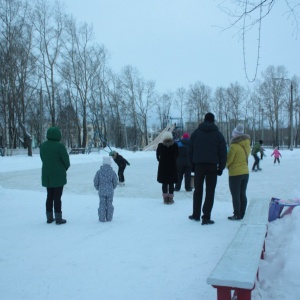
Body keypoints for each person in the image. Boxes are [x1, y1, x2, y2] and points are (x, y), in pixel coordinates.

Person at [188, 112, 227, 225]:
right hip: (212, 167)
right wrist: (221, 167)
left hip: (199, 165)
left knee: (198, 190)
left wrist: (192, 165)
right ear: (213, 120)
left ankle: (196, 214)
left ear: (204, 120)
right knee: (210, 191)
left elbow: (190, 150)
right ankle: (206, 217)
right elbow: (223, 152)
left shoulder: (196, 133)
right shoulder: (218, 135)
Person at [40, 126, 70, 225]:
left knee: (49, 196)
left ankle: (49, 217)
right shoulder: (60, 146)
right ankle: (58, 218)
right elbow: (66, 161)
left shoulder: (43, 146)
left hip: (47, 175)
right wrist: (62, 169)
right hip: (58, 176)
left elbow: (43, 159)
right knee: (57, 197)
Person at [226, 124, 251, 220]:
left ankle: (237, 214)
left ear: (236, 135)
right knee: (242, 193)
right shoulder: (246, 144)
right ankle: (242, 213)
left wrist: (224, 165)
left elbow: (229, 160)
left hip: (235, 174)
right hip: (245, 172)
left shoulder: (234, 146)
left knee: (235, 195)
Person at [156, 131, 178, 204]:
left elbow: (157, 155)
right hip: (172, 166)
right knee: (171, 183)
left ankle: (165, 199)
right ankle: (170, 199)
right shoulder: (175, 145)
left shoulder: (160, 145)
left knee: (164, 183)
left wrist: (160, 160)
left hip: (163, 167)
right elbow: (178, 155)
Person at [93, 156, 118, 222]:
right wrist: (113, 187)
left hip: (102, 191)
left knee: (102, 204)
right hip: (110, 191)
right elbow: (115, 181)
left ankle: (102, 218)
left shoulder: (99, 172)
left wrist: (98, 188)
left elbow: (96, 181)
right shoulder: (112, 172)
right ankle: (109, 218)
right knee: (109, 204)